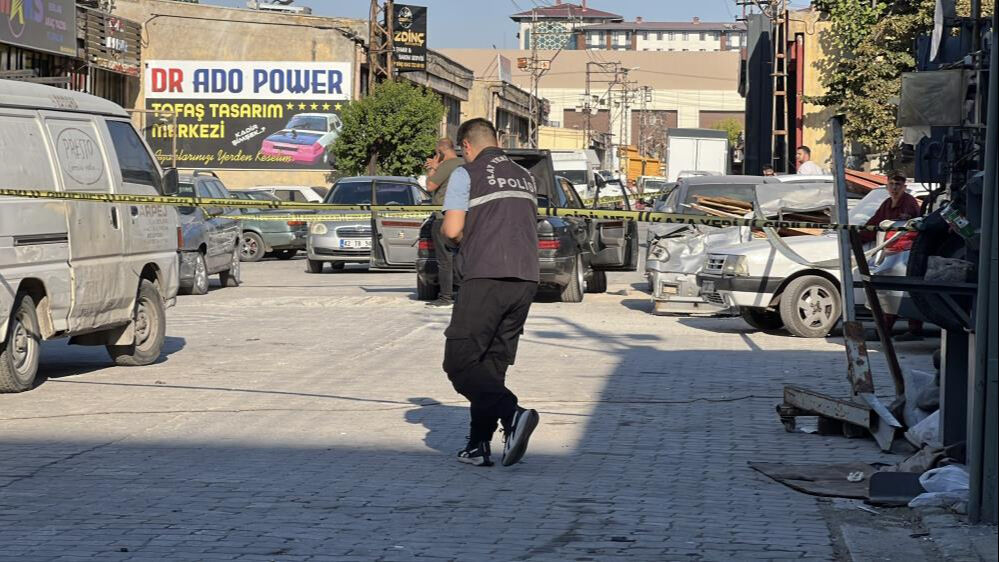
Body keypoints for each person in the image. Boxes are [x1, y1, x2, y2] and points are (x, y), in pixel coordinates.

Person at [440, 118, 540, 467]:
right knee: (491, 365)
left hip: (485, 275)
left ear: (466, 146)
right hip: (526, 278)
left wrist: (461, 238)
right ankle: (478, 445)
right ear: (496, 140)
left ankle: (512, 414)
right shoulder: (525, 175)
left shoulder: (465, 174)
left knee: (460, 361)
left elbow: (453, 229)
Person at [863, 172, 925, 341]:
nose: (895, 187)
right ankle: (889, 330)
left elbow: (908, 226)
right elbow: (874, 223)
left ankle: (891, 331)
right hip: (889, 252)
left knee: (900, 291)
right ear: (887, 186)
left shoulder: (909, 203)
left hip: (905, 253)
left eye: (898, 184)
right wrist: (858, 236)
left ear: (904, 187)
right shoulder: (887, 204)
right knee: (893, 292)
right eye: (892, 184)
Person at [423, 139, 463, 308]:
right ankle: (464, 294)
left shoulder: (448, 165)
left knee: (444, 259)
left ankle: (445, 296)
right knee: (461, 258)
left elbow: (430, 185)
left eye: (436, 153)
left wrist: (433, 168)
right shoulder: (463, 163)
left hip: (443, 217)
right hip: (462, 216)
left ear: (441, 152)